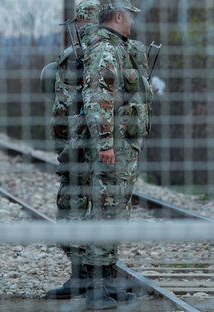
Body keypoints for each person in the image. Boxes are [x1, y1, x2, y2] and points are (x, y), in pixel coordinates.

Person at [81, 0, 152, 309]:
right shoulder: (105, 49)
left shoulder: (119, 48)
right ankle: (96, 287)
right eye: (130, 17)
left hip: (124, 145)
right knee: (103, 211)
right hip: (112, 147)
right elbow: (97, 97)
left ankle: (107, 281)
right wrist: (105, 143)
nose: (132, 23)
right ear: (119, 16)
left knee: (115, 212)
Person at [47, 0, 101, 300]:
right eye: (81, 25)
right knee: (70, 209)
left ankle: (100, 278)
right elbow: (61, 106)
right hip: (73, 147)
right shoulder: (69, 57)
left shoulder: (113, 53)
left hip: (103, 147)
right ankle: (79, 276)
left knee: (103, 211)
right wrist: (62, 147)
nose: (84, 30)